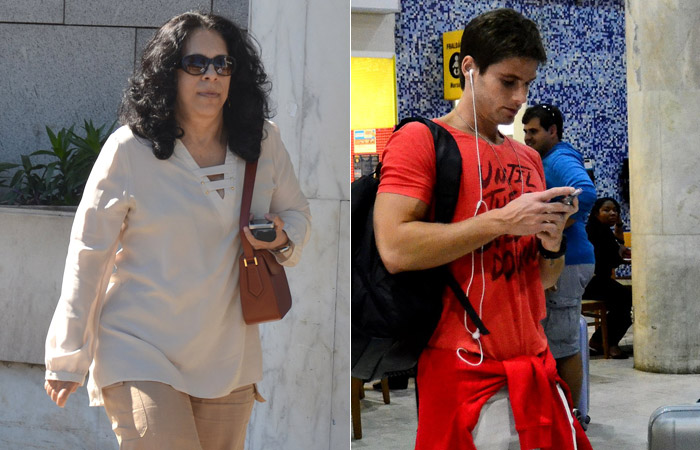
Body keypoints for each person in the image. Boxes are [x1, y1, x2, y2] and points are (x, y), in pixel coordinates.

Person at [43, 12, 311, 450]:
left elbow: (298, 215)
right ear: (169, 72)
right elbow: (88, 255)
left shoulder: (262, 141)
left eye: (223, 65)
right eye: (197, 64)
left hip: (229, 355)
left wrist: (280, 236)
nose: (212, 75)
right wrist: (68, 355)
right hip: (139, 348)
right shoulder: (129, 150)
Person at [373, 8, 591, 450]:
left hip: (534, 359)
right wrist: (503, 220)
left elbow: (543, 280)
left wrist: (551, 243)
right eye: (507, 81)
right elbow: (394, 247)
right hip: (461, 362)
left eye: (527, 84)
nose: (519, 96)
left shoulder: (528, 158)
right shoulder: (421, 140)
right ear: (469, 68)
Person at [522, 103, 596, 408]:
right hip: (564, 261)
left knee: (563, 347)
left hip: (571, 261)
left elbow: (586, 192)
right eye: (525, 131)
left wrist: (556, 228)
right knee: (553, 344)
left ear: (553, 131)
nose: (528, 138)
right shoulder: (548, 158)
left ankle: (573, 420)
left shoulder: (559, 158)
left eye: (534, 131)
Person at [584, 197, 632, 359]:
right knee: (625, 298)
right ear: (596, 213)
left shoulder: (602, 229)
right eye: (606, 210)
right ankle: (607, 342)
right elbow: (613, 259)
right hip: (590, 282)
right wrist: (618, 251)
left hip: (597, 281)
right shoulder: (595, 231)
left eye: (615, 210)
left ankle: (602, 341)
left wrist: (618, 225)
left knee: (623, 301)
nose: (612, 213)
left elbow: (616, 246)